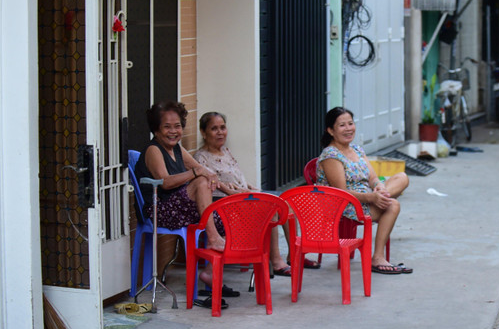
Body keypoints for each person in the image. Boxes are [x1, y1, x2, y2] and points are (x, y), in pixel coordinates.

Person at [133, 101, 231, 309]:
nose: (173, 131)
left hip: (178, 207)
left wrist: (231, 191)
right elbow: (165, 181)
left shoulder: (177, 149)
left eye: (177, 126)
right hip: (160, 210)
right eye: (167, 126)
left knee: (226, 212)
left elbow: (201, 169)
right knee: (202, 183)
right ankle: (213, 239)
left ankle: (212, 274)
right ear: (156, 129)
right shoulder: (153, 150)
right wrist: (198, 173)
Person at [193, 111, 311, 277]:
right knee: (270, 210)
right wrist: (243, 192)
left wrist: (249, 187)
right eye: (214, 129)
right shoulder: (201, 157)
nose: (220, 132)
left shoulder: (225, 151)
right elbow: (218, 185)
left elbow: (237, 177)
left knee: (287, 204)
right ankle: (275, 261)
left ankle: (293, 255)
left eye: (222, 127)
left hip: (242, 195)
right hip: (225, 203)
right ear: (204, 133)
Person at [316, 107, 412, 274]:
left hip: (366, 195)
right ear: (330, 131)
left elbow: (372, 177)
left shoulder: (357, 149)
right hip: (343, 204)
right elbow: (341, 192)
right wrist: (371, 197)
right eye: (342, 125)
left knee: (402, 177)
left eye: (350, 123)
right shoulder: (331, 155)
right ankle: (377, 258)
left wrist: (379, 187)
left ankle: (383, 197)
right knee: (392, 205)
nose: (348, 129)